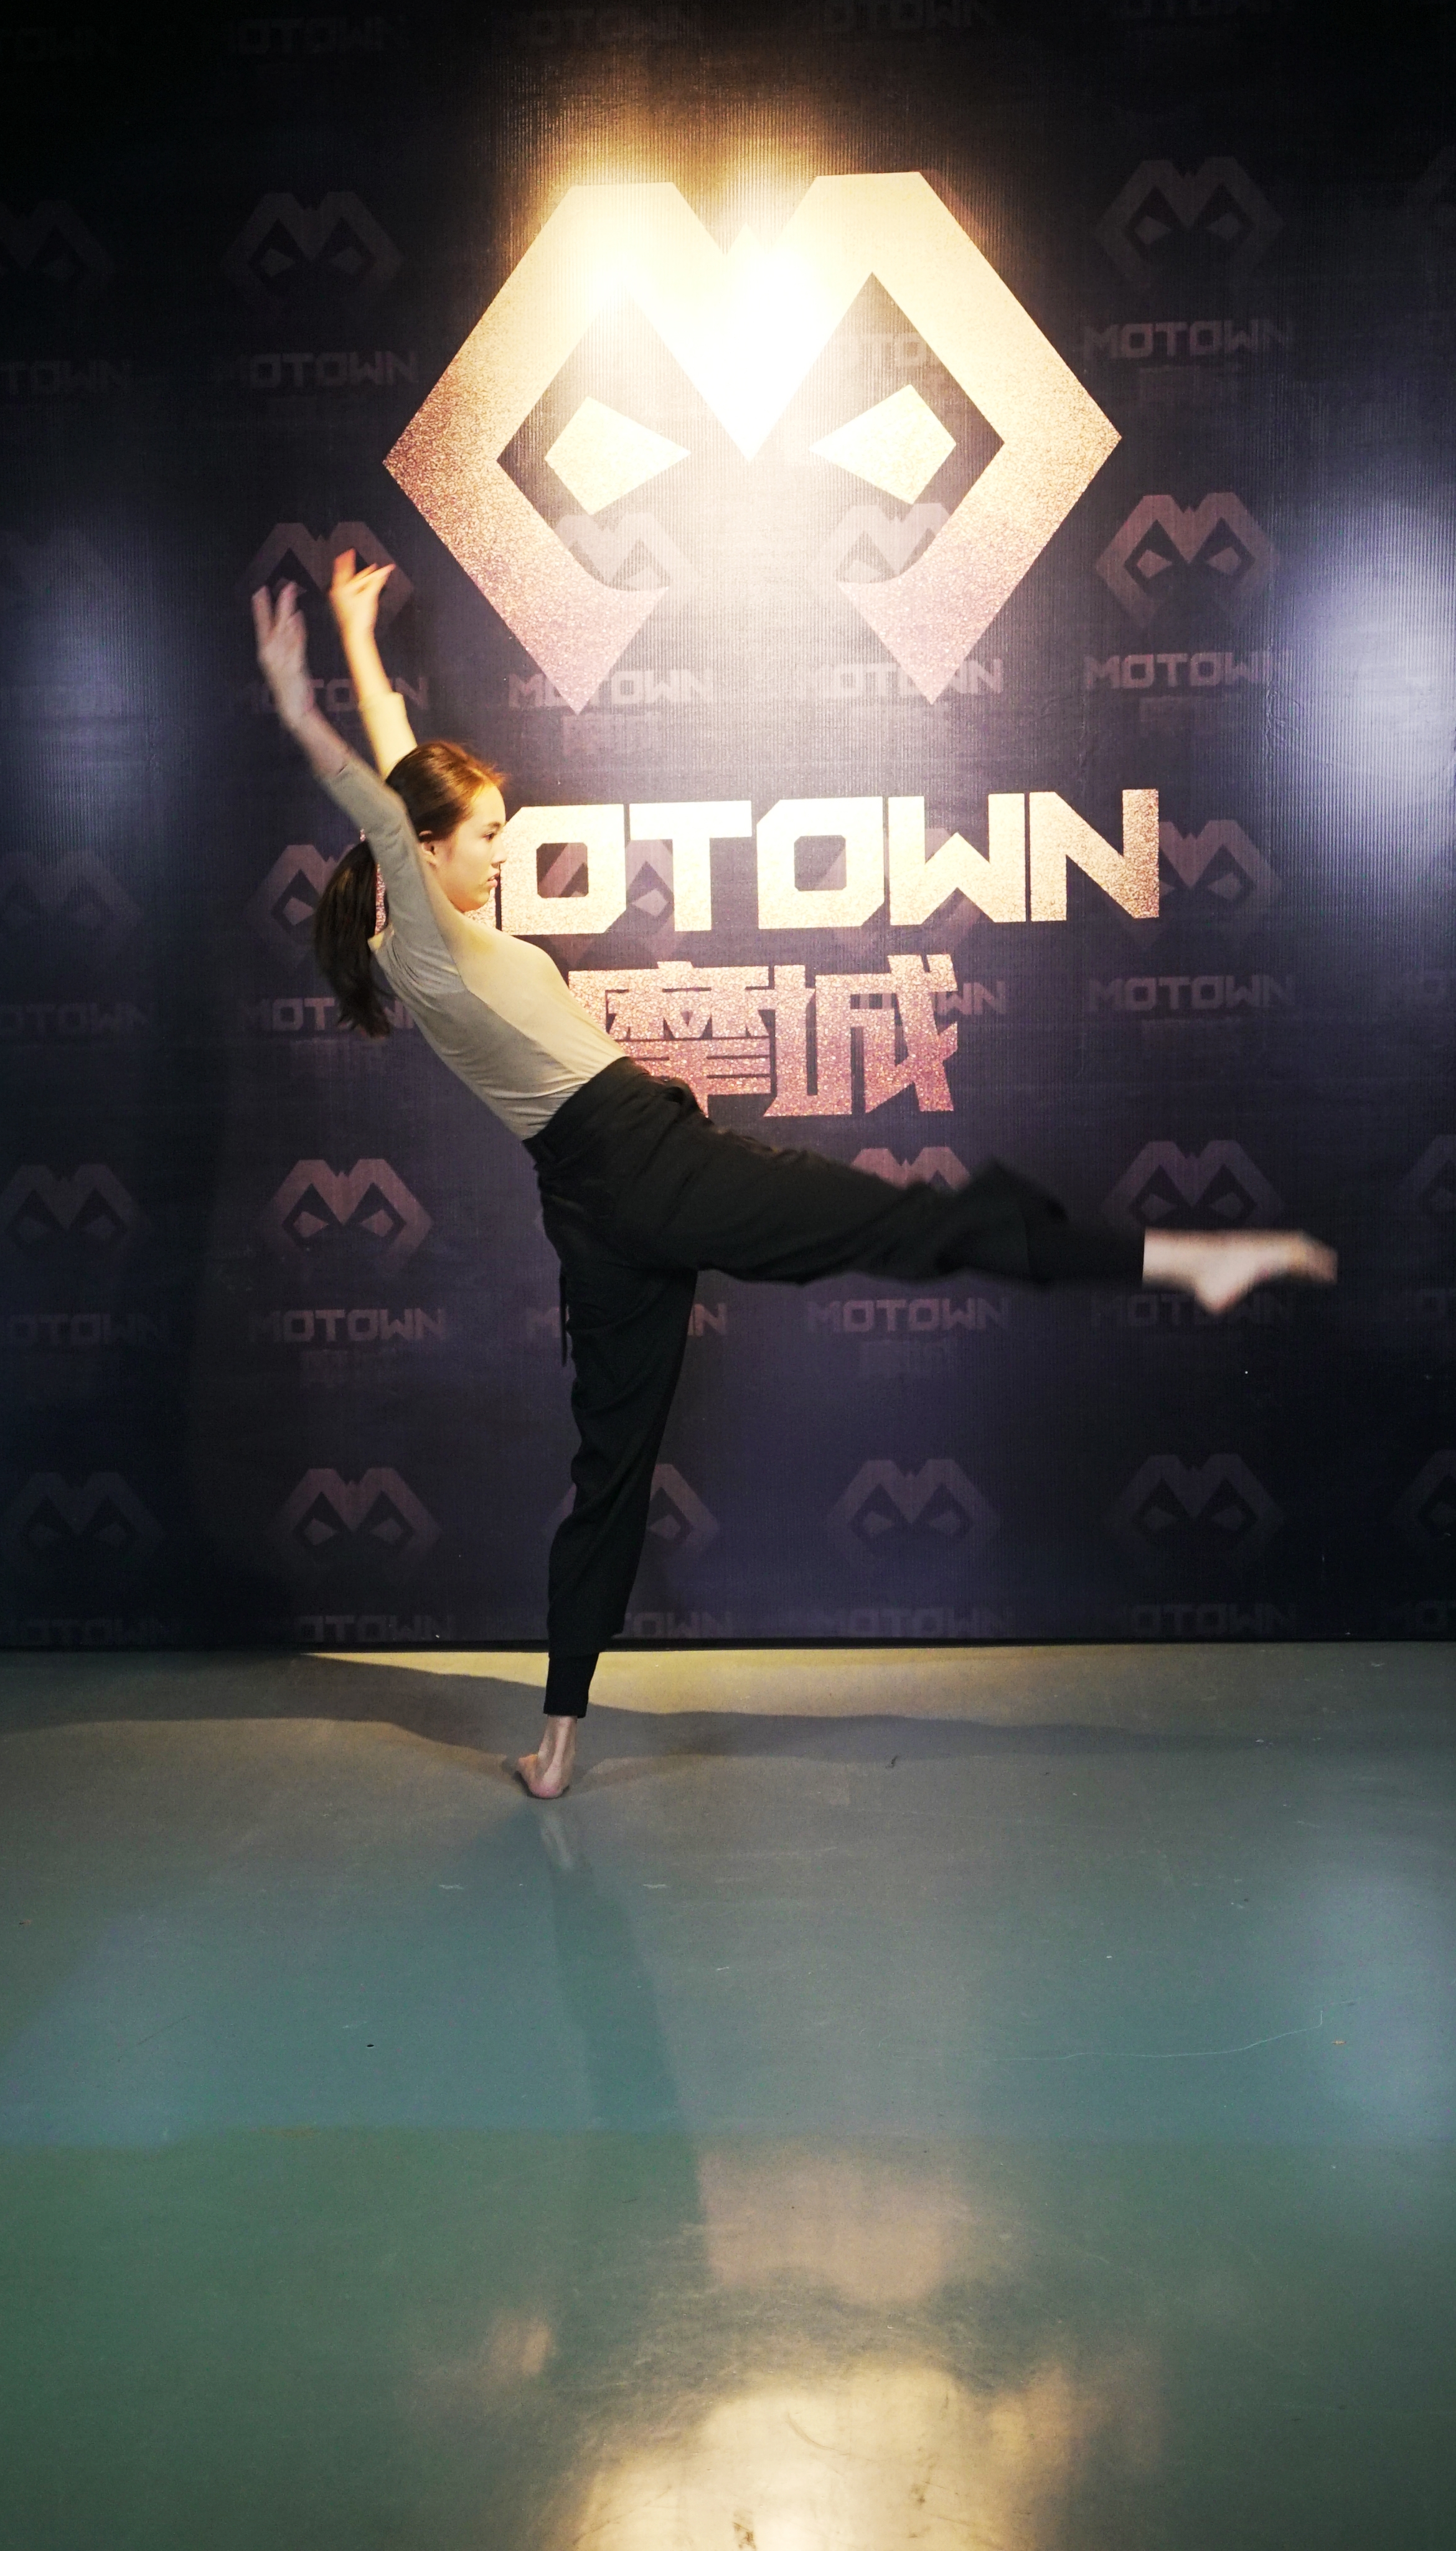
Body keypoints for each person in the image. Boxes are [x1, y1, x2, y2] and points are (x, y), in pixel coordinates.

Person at [251, 560, 1336, 1800]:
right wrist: (294, 705)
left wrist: (354, 635)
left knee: (609, 1472)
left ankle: (557, 1744)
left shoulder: (413, 936)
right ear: (428, 847)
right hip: (646, 1164)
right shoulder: (432, 942)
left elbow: (397, 778)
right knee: (903, 1220)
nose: (504, 851)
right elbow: (386, 802)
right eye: (489, 834)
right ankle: (1180, 1257)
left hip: (592, 1205)